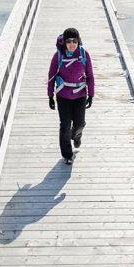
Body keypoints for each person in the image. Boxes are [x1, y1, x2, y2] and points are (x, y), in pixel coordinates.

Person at [47, 27, 94, 165]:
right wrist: (50, 96)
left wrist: (91, 95)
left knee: (79, 123)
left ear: (79, 41)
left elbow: (90, 75)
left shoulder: (84, 55)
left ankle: (77, 136)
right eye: (69, 41)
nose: (72, 44)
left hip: (80, 94)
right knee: (65, 125)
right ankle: (67, 155)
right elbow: (51, 76)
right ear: (64, 43)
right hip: (63, 95)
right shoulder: (58, 56)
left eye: (75, 41)